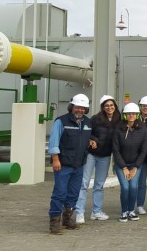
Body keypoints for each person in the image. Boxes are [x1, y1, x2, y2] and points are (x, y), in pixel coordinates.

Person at [48, 93, 92, 234]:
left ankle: (67, 219)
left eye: (83, 108)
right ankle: (54, 223)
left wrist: (92, 142)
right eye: (78, 107)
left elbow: (85, 138)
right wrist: (55, 159)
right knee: (60, 193)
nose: (80, 110)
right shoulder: (61, 121)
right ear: (71, 107)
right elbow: (54, 142)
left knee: (73, 193)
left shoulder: (87, 123)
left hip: (78, 165)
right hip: (63, 164)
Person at [75, 95, 119, 224]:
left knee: (99, 185)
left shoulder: (119, 119)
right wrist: (92, 140)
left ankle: (96, 211)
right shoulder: (95, 119)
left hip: (105, 156)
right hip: (91, 155)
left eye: (111, 105)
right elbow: (87, 133)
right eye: (106, 106)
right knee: (84, 183)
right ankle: (79, 212)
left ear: (115, 106)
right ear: (102, 107)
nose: (109, 107)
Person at [112, 103, 147, 222]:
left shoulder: (143, 129)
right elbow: (116, 149)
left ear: (137, 115)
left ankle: (131, 211)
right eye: (129, 113)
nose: (131, 115)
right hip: (121, 165)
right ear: (125, 115)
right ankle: (124, 212)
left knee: (133, 187)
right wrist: (123, 167)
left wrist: (135, 167)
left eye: (133, 113)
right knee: (125, 187)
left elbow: (144, 150)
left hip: (135, 165)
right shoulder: (118, 128)